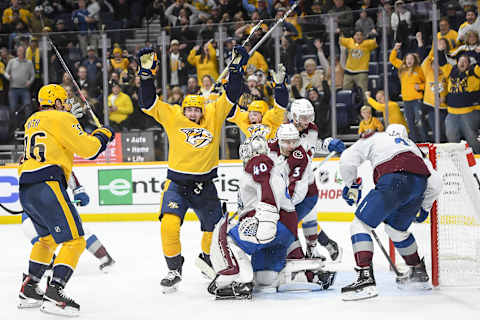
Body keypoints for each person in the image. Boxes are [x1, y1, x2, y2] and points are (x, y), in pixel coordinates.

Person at [137, 45, 249, 293]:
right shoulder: (174, 115)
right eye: (189, 109)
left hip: (205, 185)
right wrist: (145, 76)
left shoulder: (214, 114)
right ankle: (174, 268)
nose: (192, 113)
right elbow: (148, 103)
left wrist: (236, 70)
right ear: (183, 108)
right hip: (176, 184)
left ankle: (207, 259)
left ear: (202, 110)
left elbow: (231, 95)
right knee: (168, 225)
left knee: (215, 227)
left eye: (196, 110)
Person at [17, 84, 114, 316]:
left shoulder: (33, 120)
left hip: (27, 187)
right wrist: (103, 135)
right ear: (57, 102)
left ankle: (29, 288)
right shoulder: (61, 118)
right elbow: (88, 149)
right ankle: (55, 292)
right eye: (65, 100)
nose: (68, 103)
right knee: (75, 240)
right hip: (48, 184)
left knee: (47, 239)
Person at [208, 135, 335, 299]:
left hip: (270, 222)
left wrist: (266, 220)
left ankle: (238, 280)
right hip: (284, 229)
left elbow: (266, 187)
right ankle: (311, 276)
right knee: (264, 280)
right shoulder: (270, 166)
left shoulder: (259, 162)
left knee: (226, 237)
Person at [339, 124, 442, 301]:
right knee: (395, 230)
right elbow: (436, 182)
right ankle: (418, 273)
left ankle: (365, 279)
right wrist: (425, 207)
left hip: (394, 179)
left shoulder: (376, 137)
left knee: (360, 225)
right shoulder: (413, 148)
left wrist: (350, 185)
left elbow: (347, 159)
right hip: (419, 185)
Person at [21, 171, 115, 273]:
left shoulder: (53, 156)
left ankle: (104, 257)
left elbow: (66, 168)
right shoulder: (25, 159)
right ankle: (49, 261)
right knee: (28, 227)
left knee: (76, 231)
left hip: (54, 199)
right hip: (34, 203)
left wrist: (78, 190)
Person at [287, 99, 345, 261]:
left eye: (309, 116)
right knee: (290, 222)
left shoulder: (312, 129)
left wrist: (328, 144)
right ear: (294, 116)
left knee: (308, 215)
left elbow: (314, 145)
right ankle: (323, 245)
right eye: (303, 117)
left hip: (307, 181)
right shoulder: (285, 132)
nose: (307, 121)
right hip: (289, 183)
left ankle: (314, 250)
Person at [228, 64, 287, 140]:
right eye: (251, 114)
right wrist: (226, 93)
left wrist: (280, 88)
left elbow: (280, 107)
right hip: (252, 149)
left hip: (270, 149)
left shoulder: (269, 118)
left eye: (255, 114)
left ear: (262, 115)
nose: (252, 117)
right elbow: (231, 111)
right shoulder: (246, 120)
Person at [438, 53, 480, 153]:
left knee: (472, 140)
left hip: (469, 113)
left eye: (465, 61)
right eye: (460, 61)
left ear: (469, 64)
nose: (462, 63)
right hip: (452, 113)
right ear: (457, 63)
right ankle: (456, 160)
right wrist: (440, 50)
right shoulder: (451, 71)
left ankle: (477, 160)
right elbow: (442, 63)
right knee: (451, 138)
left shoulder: (475, 72)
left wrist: (478, 54)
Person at [389, 43, 426, 142]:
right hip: (406, 100)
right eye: (407, 59)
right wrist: (395, 49)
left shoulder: (419, 69)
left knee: (420, 122)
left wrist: (420, 86)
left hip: (416, 100)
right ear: (405, 60)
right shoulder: (402, 67)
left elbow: (426, 82)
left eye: (411, 59)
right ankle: (415, 142)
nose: (409, 60)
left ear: (414, 60)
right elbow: (392, 60)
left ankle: (425, 141)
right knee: (410, 123)